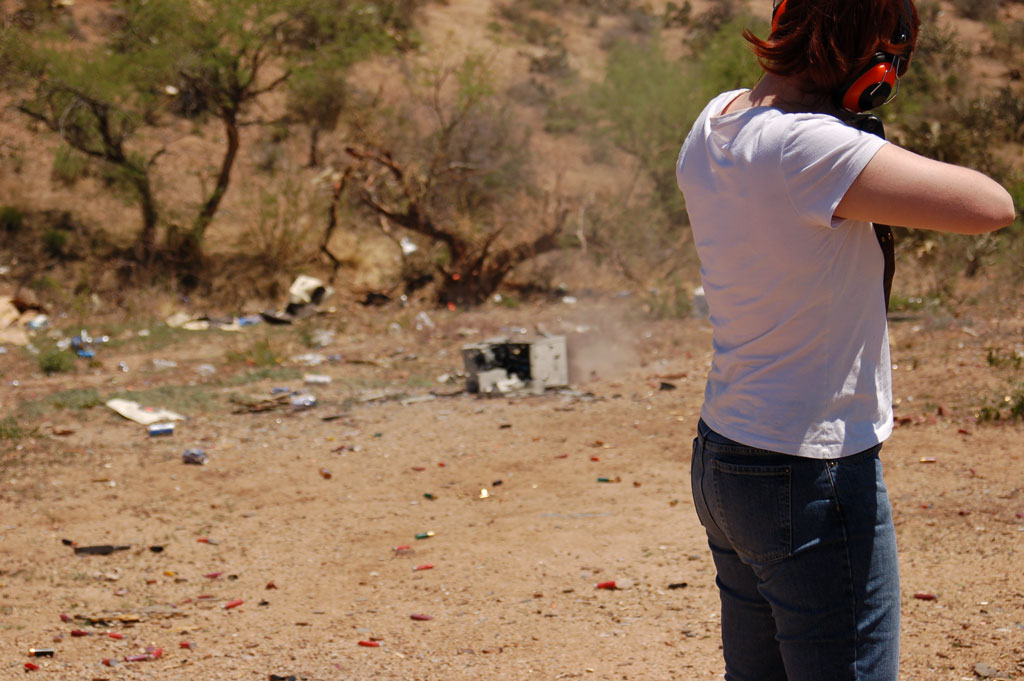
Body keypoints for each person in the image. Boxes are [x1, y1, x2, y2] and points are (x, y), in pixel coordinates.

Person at [675, 1, 1015, 680]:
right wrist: (861, 136)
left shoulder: (717, 118)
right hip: (810, 469)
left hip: (727, 452)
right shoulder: (810, 148)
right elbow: (992, 205)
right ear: (870, 62)